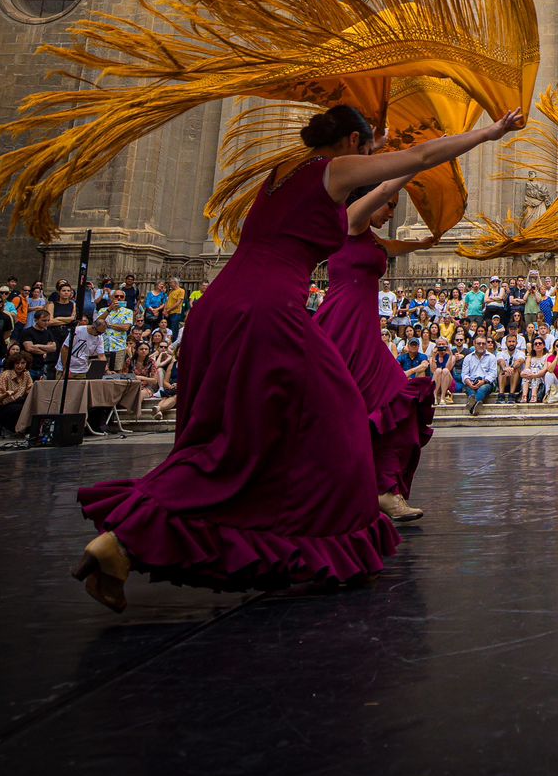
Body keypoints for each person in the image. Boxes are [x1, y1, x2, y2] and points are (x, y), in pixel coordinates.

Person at [71, 103, 524, 611]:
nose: (374, 156)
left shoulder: (282, 173)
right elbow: (417, 156)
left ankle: (121, 545)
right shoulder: (332, 171)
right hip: (266, 311)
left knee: (234, 440)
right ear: (352, 143)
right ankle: (323, 546)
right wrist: (491, 132)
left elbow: (398, 169)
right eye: (370, 148)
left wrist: (393, 149)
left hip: (222, 306)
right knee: (342, 422)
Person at [315, 124, 513, 525]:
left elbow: (403, 239)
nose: (393, 210)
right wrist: (415, 163)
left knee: (391, 405)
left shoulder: (367, 237)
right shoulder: (350, 220)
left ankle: (381, 489)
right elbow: (385, 190)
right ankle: (366, 489)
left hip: (363, 328)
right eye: (390, 204)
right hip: (342, 326)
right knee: (373, 403)